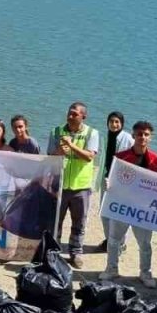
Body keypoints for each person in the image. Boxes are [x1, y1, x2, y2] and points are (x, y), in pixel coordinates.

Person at [101, 121, 157, 287]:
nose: (142, 137)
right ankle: (111, 269)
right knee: (113, 240)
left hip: (143, 208)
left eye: (146, 134)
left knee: (145, 244)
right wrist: (108, 183)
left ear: (150, 137)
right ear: (133, 135)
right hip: (122, 206)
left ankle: (145, 273)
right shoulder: (120, 157)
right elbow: (112, 177)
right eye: (139, 134)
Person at [48, 102, 99, 268]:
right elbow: (49, 156)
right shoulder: (56, 132)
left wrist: (71, 146)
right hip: (60, 185)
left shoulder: (91, 133)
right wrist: (59, 151)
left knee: (79, 222)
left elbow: (89, 156)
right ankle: (54, 252)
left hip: (81, 187)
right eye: (69, 113)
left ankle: (75, 252)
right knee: (56, 222)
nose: (70, 116)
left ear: (83, 116)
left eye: (75, 114)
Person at [95, 111, 135, 253]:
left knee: (119, 214)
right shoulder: (105, 137)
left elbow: (135, 159)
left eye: (117, 122)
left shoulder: (128, 139)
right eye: (111, 121)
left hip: (122, 182)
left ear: (122, 124)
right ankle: (109, 240)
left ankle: (120, 243)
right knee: (104, 212)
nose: (114, 124)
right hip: (106, 179)